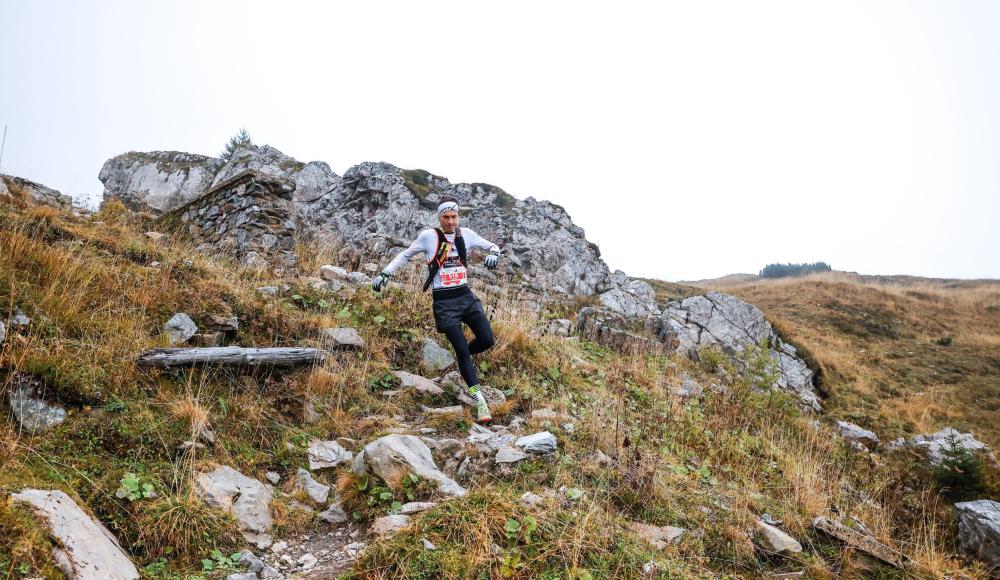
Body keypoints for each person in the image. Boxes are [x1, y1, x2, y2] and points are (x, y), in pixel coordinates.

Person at [371, 198, 502, 423]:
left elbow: (493, 246)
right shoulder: (428, 237)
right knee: (461, 348)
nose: (451, 221)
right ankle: (480, 401)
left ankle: (463, 359)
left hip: (466, 296)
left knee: (487, 340)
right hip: (444, 302)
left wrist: (494, 254)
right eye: (446, 217)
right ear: (439, 218)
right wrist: (385, 274)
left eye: (454, 217)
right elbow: (405, 255)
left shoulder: (466, 234)